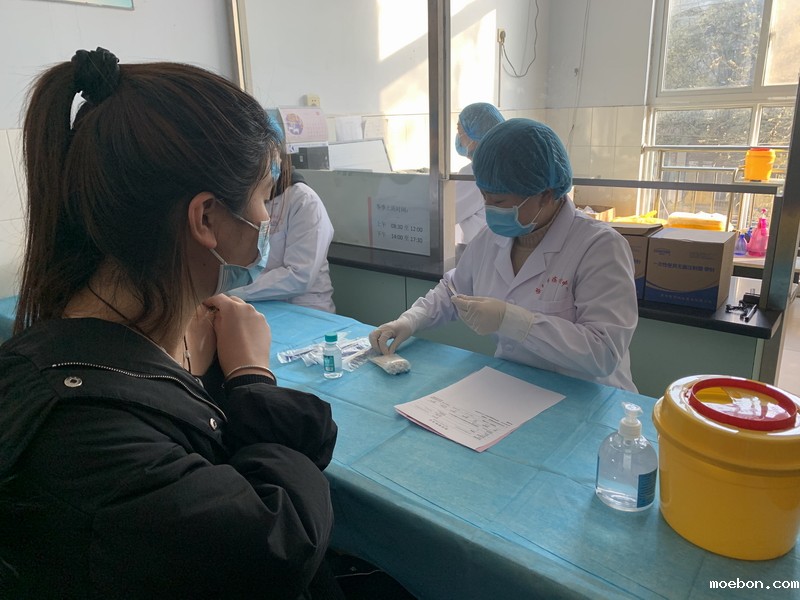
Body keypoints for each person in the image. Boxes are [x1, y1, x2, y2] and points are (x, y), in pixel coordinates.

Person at [0, 48, 342, 599]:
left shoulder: (140, 336)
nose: (265, 219)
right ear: (205, 218)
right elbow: (275, 545)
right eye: (261, 197)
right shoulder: (83, 434)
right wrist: (251, 377)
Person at [370, 118, 639, 392]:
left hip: (589, 396)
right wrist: (409, 321)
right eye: (484, 196)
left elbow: (603, 353)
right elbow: (453, 290)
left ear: (546, 195)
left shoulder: (599, 247)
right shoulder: (491, 238)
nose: (489, 208)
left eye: (499, 201)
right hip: (516, 390)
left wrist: (512, 320)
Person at [230, 150, 336, 313]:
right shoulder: (245, 199)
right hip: (253, 303)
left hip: (305, 308)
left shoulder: (304, 200)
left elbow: (299, 276)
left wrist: (235, 291)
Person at [454, 102, 505, 247]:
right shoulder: (500, 164)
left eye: (459, 130)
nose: (458, 137)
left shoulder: (474, 173)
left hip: (484, 250)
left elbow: (443, 215)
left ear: (474, 136)